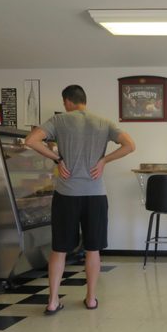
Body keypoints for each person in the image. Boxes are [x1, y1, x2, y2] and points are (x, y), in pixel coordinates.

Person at [25, 84, 135, 314]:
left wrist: (57, 159)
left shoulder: (60, 121)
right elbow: (130, 145)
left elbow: (31, 140)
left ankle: (53, 301)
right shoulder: (104, 122)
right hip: (95, 194)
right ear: (84, 100)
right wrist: (104, 160)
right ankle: (91, 299)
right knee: (93, 249)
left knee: (59, 249)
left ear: (67, 102)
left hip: (66, 194)